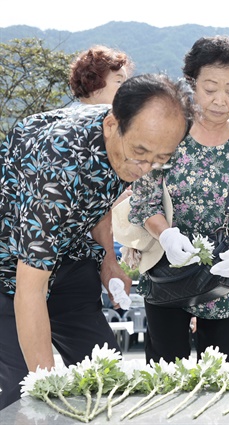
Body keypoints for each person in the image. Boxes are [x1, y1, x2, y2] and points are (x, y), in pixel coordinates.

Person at [0, 73, 194, 410]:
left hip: (70, 257)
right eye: (140, 153)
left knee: (105, 379)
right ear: (111, 125)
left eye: (161, 158)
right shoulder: (58, 166)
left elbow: (98, 197)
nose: (145, 167)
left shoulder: (136, 141)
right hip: (10, 273)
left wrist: (109, 261)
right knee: (23, 394)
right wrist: (49, 390)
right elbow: (29, 287)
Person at [128, 35, 229, 364]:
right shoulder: (168, 130)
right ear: (192, 82)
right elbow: (144, 199)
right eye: (210, 88)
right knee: (167, 372)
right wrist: (166, 234)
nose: (220, 100)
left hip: (225, 278)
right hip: (168, 273)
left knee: (218, 375)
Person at [69, 45, 136, 311]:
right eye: (119, 82)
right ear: (94, 82)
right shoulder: (102, 129)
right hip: (71, 257)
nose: (125, 90)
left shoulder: (58, 123)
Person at [69, 45, 134, 107]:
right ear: (93, 84)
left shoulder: (64, 115)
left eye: (125, 82)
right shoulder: (103, 115)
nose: (126, 88)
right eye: (119, 81)